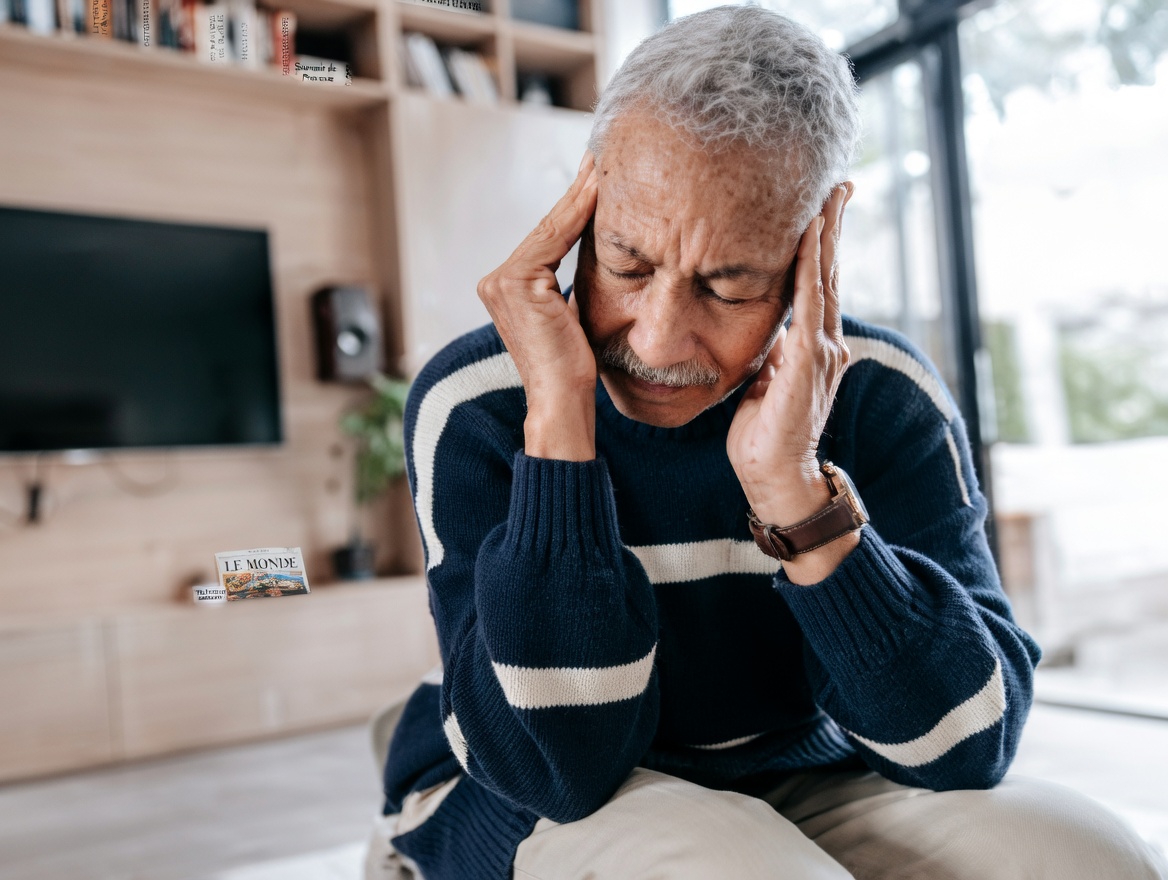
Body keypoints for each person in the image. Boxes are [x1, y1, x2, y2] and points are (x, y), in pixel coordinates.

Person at [368, 6, 1168, 879]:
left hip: (801, 767)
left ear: (815, 242)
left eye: (728, 286)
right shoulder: (478, 402)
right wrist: (560, 427)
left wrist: (796, 494)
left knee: (1095, 859)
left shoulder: (884, 394)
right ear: (586, 200)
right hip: (531, 785)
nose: (660, 340)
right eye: (628, 264)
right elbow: (560, 769)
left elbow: (964, 748)